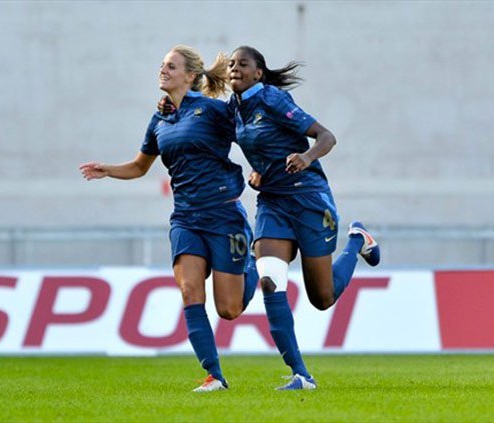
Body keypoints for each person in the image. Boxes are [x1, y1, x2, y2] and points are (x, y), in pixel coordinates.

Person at [79, 45, 258, 393]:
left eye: (171, 66)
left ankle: (256, 265)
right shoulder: (159, 119)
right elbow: (139, 166)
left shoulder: (213, 110)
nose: (163, 70)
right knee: (190, 291)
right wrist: (107, 170)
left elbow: (252, 136)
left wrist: (263, 170)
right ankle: (215, 376)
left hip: (223, 215)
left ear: (190, 76)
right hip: (186, 219)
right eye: (162, 64)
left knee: (229, 310)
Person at [226, 46, 381, 390]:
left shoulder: (273, 100)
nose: (235, 68)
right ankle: (301, 374)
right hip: (273, 203)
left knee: (322, 298)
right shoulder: (232, 110)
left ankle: (357, 240)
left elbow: (327, 136)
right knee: (270, 280)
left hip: (309, 198)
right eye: (232, 64)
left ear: (258, 73)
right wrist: (258, 171)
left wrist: (307, 157)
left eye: (243, 64)